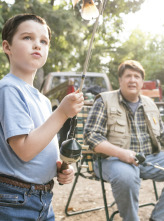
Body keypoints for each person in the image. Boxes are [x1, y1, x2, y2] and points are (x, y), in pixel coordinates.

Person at [84, 60, 164, 221]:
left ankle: (161, 218)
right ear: (120, 80)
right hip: (111, 160)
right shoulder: (104, 100)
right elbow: (91, 136)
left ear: (142, 82)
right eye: (128, 76)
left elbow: (163, 134)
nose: (132, 80)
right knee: (126, 176)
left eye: (137, 76)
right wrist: (122, 154)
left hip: (147, 159)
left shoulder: (150, 104)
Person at [0, 14, 84, 220]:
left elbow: (42, 145)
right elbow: (26, 150)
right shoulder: (9, 89)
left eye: (43, 41)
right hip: (14, 200)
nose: (37, 45)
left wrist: (61, 168)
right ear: (7, 47)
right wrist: (63, 112)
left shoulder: (43, 100)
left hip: (43, 198)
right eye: (27, 37)